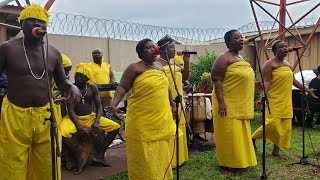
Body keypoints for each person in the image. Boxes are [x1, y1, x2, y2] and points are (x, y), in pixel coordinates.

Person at [0, 4, 80, 180]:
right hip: (15, 115)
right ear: (22, 24)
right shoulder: (8, 48)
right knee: (12, 165)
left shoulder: (53, 52)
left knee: (47, 165)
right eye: (32, 20)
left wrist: (71, 86)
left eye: (42, 21)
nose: (38, 24)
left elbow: (61, 81)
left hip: (46, 115)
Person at [111, 39, 176, 180]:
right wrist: (114, 104)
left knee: (160, 152)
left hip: (160, 118)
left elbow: (167, 87)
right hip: (141, 121)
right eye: (149, 48)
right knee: (144, 155)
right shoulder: (134, 68)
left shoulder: (159, 66)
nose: (154, 49)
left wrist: (172, 104)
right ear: (141, 52)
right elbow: (122, 87)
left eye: (155, 47)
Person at [252, 40, 317, 156]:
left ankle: (276, 151)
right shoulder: (269, 64)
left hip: (286, 100)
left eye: (286, 46)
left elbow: (294, 82)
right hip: (274, 99)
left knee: (284, 127)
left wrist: (308, 90)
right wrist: (263, 96)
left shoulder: (287, 65)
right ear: (274, 51)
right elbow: (266, 81)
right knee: (272, 124)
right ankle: (253, 138)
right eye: (281, 47)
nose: (285, 48)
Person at [60, 63, 120, 174]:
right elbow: (71, 109)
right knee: (62, 132)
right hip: (74, 118)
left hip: (90, 117)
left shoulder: (92, 88)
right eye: (76, 75)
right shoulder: (71, 88)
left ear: (87, 78)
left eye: (81, 76)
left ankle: (100, 155)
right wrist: (79, 127)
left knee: (115, 127)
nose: (77, 78)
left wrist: (97, 122)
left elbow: (99, 106)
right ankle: (79, 156)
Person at [211, 29, 257, 172]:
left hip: (240, 103)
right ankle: (226, 164)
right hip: (227, 102)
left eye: (241, 37)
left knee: (240, 134)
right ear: (228, 42)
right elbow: (216, 80)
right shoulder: (223, 57)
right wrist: (221, 103)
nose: (241, 39)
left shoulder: (240, 58)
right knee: (229, 134)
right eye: (236, 38)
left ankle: (240, 162)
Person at [156, 36, 190, 168]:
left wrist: (186, 61)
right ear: (162, 49)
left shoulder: (174, 63)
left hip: (178, 99)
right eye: (171, 48)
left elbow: (185, 77)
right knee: (168, 128)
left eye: (175, 48)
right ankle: (168, 159)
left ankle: (179, 159)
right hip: (164, 101)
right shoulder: (156, 64)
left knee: (179, 127)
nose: (174, 50)